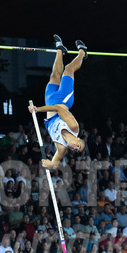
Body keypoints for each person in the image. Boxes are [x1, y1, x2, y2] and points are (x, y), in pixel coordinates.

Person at [28, 35, 87, 171]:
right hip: (63, 99)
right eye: (78, 146)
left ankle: (60, 49)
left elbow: (54, 164)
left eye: (77, 150)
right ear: (77, 139)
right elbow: (57, 109)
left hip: (50, 100)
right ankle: (83, 52)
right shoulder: (74, 127)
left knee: (54, 75)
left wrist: (48, 164)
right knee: (68, 69)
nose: (75, 148)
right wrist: (37, 109)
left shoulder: (61, 147)